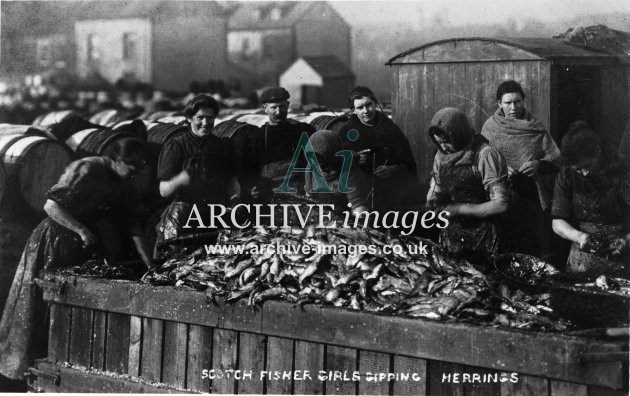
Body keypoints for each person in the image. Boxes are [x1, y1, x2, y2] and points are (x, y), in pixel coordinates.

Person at [0, 137, 154, 381]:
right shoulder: (87, 168)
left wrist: (151, 266)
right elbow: (51, 206)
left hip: (82, 246)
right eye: (131, 169)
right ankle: (22, 371)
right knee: (36, 305)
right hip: (55, 239)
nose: (133, 175)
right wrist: (81, 230)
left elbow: (133, 227)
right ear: (117, 160)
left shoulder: (123, 180)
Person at [481, 80, 560, 259]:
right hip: (500, 194)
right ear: (500, 103)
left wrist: (538, 165)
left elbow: (555, 157)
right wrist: (500, 169)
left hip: (531, 194)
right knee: (505, 241)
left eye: (517, 101)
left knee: (533, 243)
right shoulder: (490, 128)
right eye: (508, 102)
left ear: (523, 101)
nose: (513, 107)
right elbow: (482, 157)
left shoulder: (536, 127)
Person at [156, 94, 241, 256]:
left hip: (215, 214)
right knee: (176, 263)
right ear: (189, 118)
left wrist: (235, 199)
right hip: (183, 216)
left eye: (210, 118)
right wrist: (180, 179)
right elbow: (163, 190)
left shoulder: (223, 146)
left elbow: (232, 180)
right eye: (200, 118)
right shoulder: (176, 146)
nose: (206, 123)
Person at [426, 108, 510, 265]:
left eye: (446, 142)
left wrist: (458, 209)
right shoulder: (440, 156)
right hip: (453, 233)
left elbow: (501, 204)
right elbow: (436, 183)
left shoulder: (485, 154)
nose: (443, 147)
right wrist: (433, 196)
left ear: (459, 135)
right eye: (439, 142)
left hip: (485, 233)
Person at [551, 121, 630, 276]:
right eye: (578, 169)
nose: (584, 173)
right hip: (583, 256)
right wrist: (579, 237)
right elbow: (557, 222)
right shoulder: (566, 175)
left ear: (598, 151)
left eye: (587, 165)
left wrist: (626, 241)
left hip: (623, 253)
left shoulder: (622, 173)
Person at [338, 86, 416, 213]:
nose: (366, 110)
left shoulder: (391, 130)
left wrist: (394, 170)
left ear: (375, 103)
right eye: (360, 107)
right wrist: (352, 158)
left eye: (368, 105)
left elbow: (411, 167)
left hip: (390, 199)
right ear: (353, 111)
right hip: (358, 201)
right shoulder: (346, 132)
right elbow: (333, 168)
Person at [243, 87, 315, 202]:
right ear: (265, 108)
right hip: (269, 193)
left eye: (282, 106)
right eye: (273, 107)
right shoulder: (257, 136)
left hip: (300, 191)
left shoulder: (303, 130)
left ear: (288, 105)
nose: (279, 112)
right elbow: (249, 168)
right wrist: (251, 187)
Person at [304, 130, 370, 213]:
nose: (318, 167)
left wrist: (359, 219)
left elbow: (358, 205)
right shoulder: (311, 166)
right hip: (321, 213)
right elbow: (309, 196)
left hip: (344, 215)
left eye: (323, 163)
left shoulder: (349, 171)